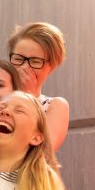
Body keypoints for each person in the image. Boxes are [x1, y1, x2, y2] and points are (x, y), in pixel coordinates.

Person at [8, 21, 69, 151]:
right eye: (18, 59)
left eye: (35, 62)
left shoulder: (55, 106)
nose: (25, 67)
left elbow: (44, 152)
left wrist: (27, 95)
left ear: (51, 66)